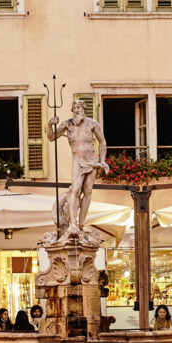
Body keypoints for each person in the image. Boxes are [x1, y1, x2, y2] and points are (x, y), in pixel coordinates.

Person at [46, 99, 109, 239]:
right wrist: (50, 124)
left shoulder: (92, 123)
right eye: (75, 107)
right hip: (77, 161)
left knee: (88, 191)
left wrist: (102, 160)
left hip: (91, 161)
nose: (78, 109)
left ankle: (81, 224)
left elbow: (102, 141)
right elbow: (51, 137)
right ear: (72, 109)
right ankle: (73, 223)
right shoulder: (67, 124)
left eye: (80, 107)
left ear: (84, 109)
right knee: (75, 190)